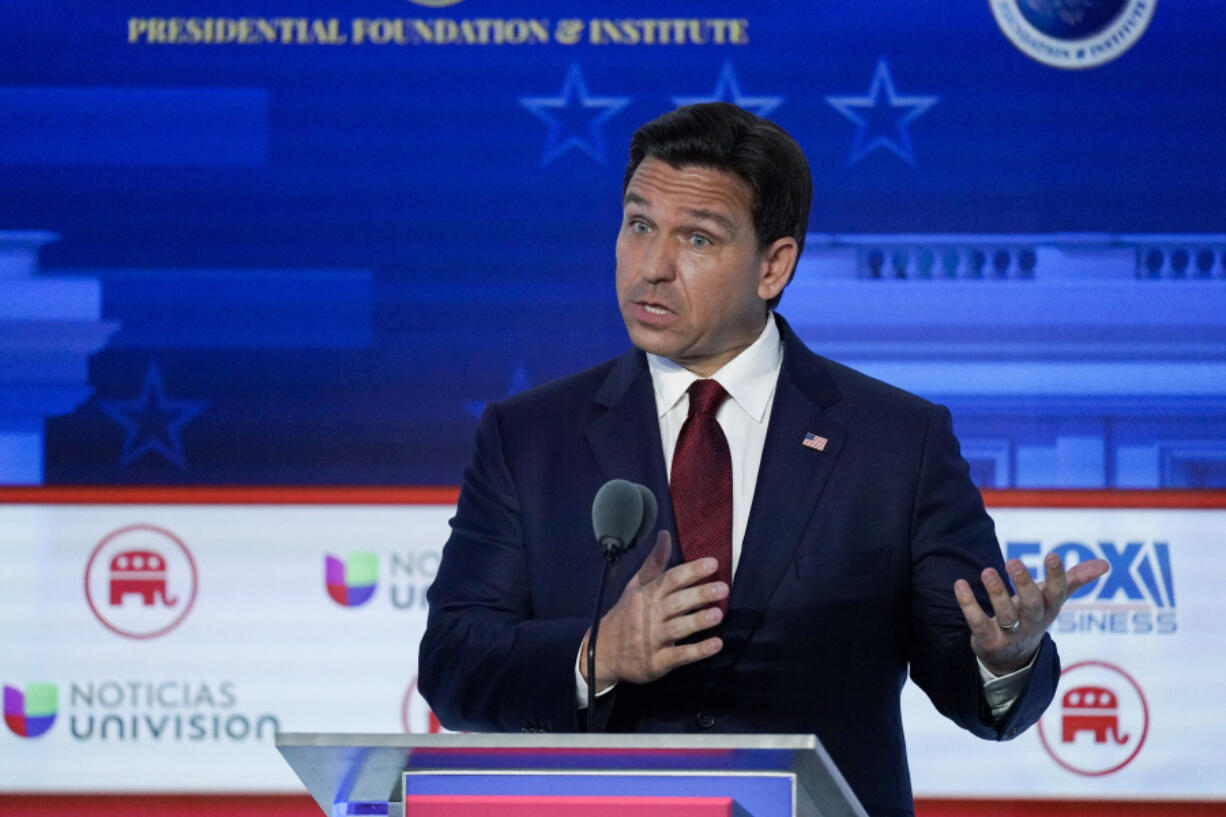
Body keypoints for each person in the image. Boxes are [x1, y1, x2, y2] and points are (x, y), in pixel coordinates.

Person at [419, 102, 1107, 817]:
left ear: (773, 265)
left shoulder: (898, 441)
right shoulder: (529, 436)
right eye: (638, 224)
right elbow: (454, 664)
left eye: (696, 238)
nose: (652, 267)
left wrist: (1004, 657)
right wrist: (598, 652)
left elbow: (969, 679)